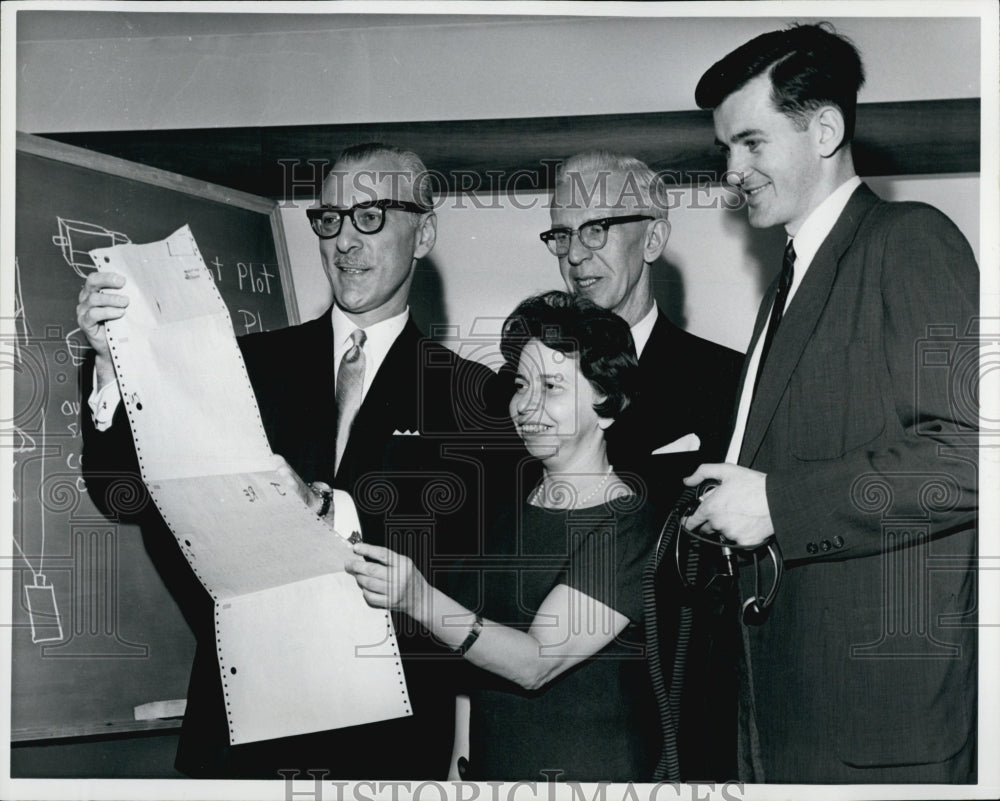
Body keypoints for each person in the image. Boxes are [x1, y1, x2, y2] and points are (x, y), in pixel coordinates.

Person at [78, 142, 504, 778]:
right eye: (329, 219)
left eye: (370, 217)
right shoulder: (244, 366)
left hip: (384, 741)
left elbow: (465, 568)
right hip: (240, 733)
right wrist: (113, 366)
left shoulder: (478, 397)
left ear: (424, 234)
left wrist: (327, 513)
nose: (344, 242)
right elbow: (124, 493)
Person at [687, 23, 978, 783]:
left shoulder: (910, 240)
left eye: (751, 142)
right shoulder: (792, 277)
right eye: (725, 149)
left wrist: (778, 504)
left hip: (875, 726)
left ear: (825, 130)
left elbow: (970, 456)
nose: (733, 171)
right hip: (783, 705)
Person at [346, 291, 661, 781]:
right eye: (521, 384)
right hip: (495, 767)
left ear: (607, 405)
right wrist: (460, 762)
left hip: (584, 774)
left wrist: (418, 599)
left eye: (551, 387)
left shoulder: (627, 521)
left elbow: (535, 663)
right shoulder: (513, 500)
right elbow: (474, 649)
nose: (525, 405)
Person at [542, 150, 744, 779]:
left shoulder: (727, 381)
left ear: (653, 239)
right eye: (562, 234)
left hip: (677, 718)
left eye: (596, 230)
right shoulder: (527, 388)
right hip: (551, 705)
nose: (576, 256)